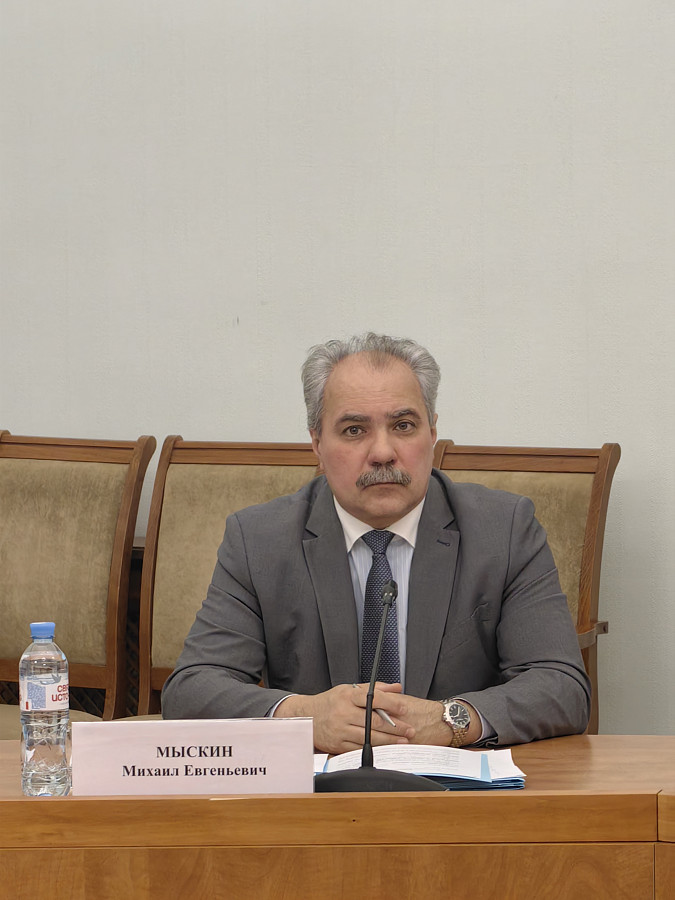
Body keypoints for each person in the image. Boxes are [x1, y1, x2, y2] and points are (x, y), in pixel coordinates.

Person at [162, 333, 590, 753]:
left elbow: (562, 686)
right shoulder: (260, 540)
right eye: (354, 430)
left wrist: (451, 720)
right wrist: (303, 717)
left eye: (403, 426)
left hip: (458, 786)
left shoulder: (503, 530)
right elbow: (192, 690)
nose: (383, 452)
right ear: (317, 444)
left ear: (432, 432)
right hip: (319, 789)